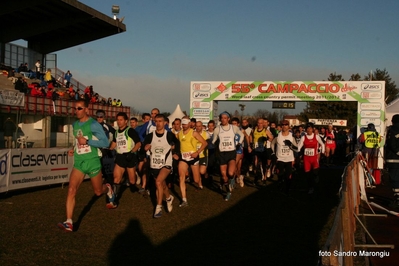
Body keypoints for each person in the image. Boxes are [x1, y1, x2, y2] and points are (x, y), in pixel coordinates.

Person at [57, 100, 114, 232]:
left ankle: (108, 188)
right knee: (71, 190)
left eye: (79, 108)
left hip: (93, 161)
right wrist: (73, 148)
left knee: (98, 191)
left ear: (86, 110)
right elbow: (77, 141)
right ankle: (69, 222)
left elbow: (105, 142)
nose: (76, 111)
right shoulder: (75, 124)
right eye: (75, 108)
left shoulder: (93, 124)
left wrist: (88, 141)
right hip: (79, 162)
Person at [142, 114, 180, 218]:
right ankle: (168, 198)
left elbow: (177, 143)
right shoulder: (150, 136)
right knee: (162, 185)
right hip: (154, 164)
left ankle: (158, 207)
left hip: (166, 164)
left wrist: (176, 152)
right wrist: (145, 148)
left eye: (160, 121)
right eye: (156, 121)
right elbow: (144, 147)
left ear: (164, 123)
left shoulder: (169, 135)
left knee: (158, 182)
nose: (158, 123)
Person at [107, 112, 141, 209]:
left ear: (126, 121)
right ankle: (113, 200)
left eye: (121, 120)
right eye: (117, 120)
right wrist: (108, 150)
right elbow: (114, 143)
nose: (119, 122)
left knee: (132, 181)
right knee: (116, 179)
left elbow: (138, 144)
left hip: (130, 157)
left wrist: (132, 152)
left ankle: (136, 175)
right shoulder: (116, 132)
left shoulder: (130, 131)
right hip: (120, 157)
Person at [212, 112, 244, 201]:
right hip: (222, 154)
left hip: (231, 152)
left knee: (230, 173)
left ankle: (232, 179)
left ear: (228, 119)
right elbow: (214, 140)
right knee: (223, 175)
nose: (223, 119)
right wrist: (214, 143)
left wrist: (239, 143)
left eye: (225, 118)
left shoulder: (233, 128)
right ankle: (228, 192)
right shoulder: (217, 129)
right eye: (222, 118)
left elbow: (242, 135)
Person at [177, 116, 207, 206]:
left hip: (193, 158)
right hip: (183, 158)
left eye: (185, 123)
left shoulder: (194, 133)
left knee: (196, 179)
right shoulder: (179, 133)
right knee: (181, 177)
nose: (184, 125)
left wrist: (197, 152)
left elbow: (205, 143)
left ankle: (199, 181)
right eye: (183, 123)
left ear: (190, 123)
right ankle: (184, 199)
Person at [297, 122, 325, 195]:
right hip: (306, 158)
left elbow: (322, 144)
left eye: (310, 128)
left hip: (314, 158)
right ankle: (310, 187)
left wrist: (322, 151)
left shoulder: (316, 136)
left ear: (313, 129)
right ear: (306, 130)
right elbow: (299, 147)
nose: (309, 130)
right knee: (307, 174)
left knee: (315, 172)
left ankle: (316, 180)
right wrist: (297, 151)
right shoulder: (303, 137)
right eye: (307, 129)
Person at [271, 120, 296, 194]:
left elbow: (296, 148)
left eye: (286, 125)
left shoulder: (292, 136)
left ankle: (287, 189)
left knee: (288, 176)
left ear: (288, 126)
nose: (284, 126)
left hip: (289, 159)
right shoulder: (278, 136)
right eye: (283, 125)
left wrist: (290, 145)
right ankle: (280, 185)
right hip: (280, 158)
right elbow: (272, 144)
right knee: (280, 174)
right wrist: (273, 153)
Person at [96, 110, 116, 186]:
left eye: (101, 117)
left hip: (105, 149)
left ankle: (109, 183)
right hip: (96, 149)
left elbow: (116, 134)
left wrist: (112, 145)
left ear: (104, 117)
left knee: (107, 168)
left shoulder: (107, 126)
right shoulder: (92, 126)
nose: (99, 118)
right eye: (97, 116)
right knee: (98, 167)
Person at [385, 114, 399, 208]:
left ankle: (397, 200)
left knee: (394, 179)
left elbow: (391, 144)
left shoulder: (392, 130)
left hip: (393, 159)